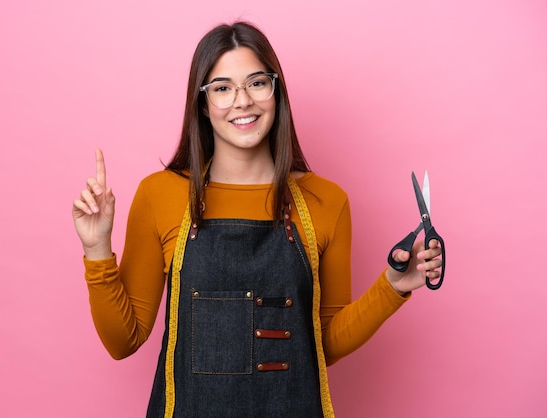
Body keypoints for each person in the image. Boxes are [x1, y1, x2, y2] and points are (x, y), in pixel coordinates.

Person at [72, 21, 442, 418]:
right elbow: (122, 341)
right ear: (202, 104)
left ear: (276, 90)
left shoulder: (326, 202)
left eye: (256, 83)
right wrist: (96, 250)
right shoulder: (159, 195)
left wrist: (392, 288)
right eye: (222, 88)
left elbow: (319, 346)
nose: (242, 101)